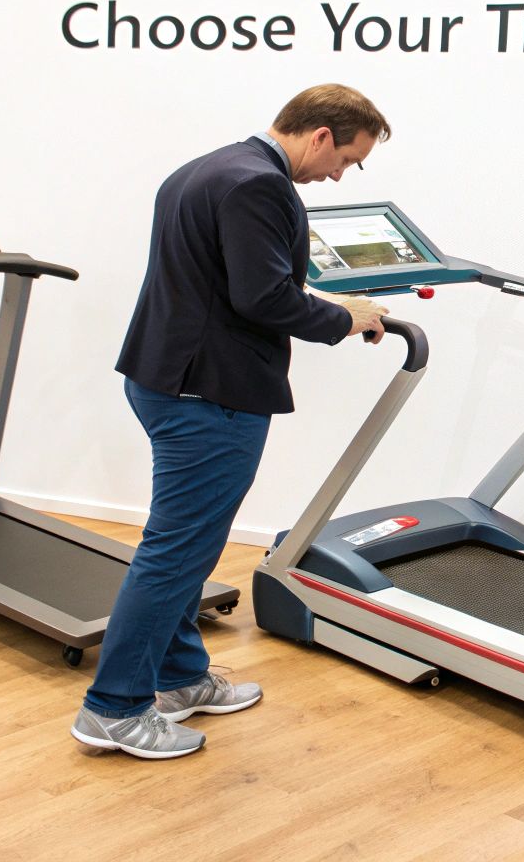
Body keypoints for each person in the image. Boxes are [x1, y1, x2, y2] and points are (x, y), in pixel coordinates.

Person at [71, 83, 393, 759]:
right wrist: (344, 318)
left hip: (165, 376)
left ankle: (181, 676)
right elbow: (262, 297)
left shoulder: (209, 167)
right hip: (208, 393)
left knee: (188, 544)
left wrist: (326, 301)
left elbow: (233, 278)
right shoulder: (263, 188)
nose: (340, 176)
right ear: (323, 135)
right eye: (348, 161)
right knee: (176, 551)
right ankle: (113, 709)